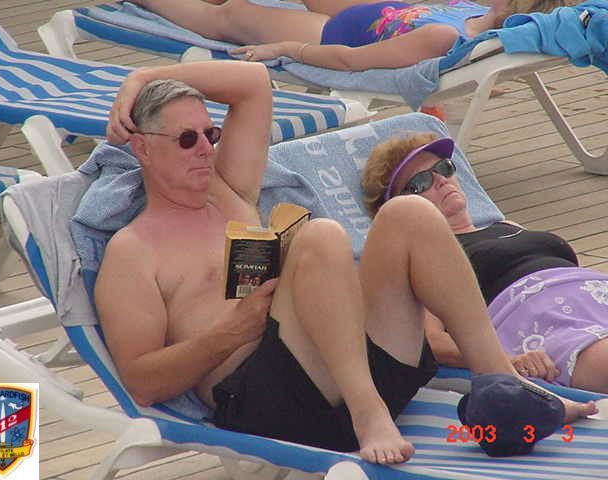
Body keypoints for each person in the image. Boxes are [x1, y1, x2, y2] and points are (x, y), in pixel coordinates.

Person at [95, 60, 596, 466]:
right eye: (187, 139)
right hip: (270, 401)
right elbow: (142, 380)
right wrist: (231, 332)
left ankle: (506, 382)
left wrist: (141, 76)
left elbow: (252, 82)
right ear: (142, 147)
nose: (205, 150)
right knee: (322, 235)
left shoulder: (229, 194)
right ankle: (367, 413)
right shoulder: (134, 252)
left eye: (212, 134)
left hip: (346, 365)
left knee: (411, 213)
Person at [361, 132, 608, 393]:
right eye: (421, 181)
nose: (441, 180)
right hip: (550, 325)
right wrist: (505, 359)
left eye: (444, 168)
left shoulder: (506, 225)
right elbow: (432, 340)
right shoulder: (431, 259)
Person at [131, 0, 573, 70]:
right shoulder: (474, 12)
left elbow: (352, 61)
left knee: (230, 16)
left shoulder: (442, 38)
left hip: (334, 32)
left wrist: (288, 49)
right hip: (374, 10)